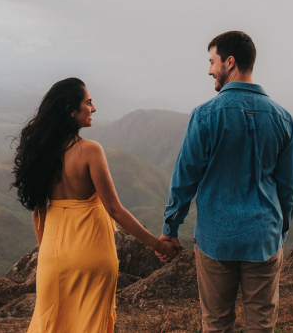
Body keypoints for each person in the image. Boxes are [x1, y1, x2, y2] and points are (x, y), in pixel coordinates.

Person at [10, 77, 181, 333]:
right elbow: (115, 210)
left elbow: (38, 213)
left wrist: (47, 255)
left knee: (51, 325)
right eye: (88, 102)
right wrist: (159, 246)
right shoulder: (90, 151)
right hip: (93, 255)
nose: (94, 108)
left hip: (52, 258)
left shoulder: (41, 153)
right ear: (71, 110)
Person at [157, 31, 293, 332]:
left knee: (217, 324)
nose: (210, 69)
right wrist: (279, 234)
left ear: (229, 62)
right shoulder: (283, 118)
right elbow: (287, 189)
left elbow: (185, 179)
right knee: (262, 325)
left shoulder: (205, 116)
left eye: (212, 61)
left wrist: (171, 229)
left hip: (215, 238)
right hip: (263, 238)